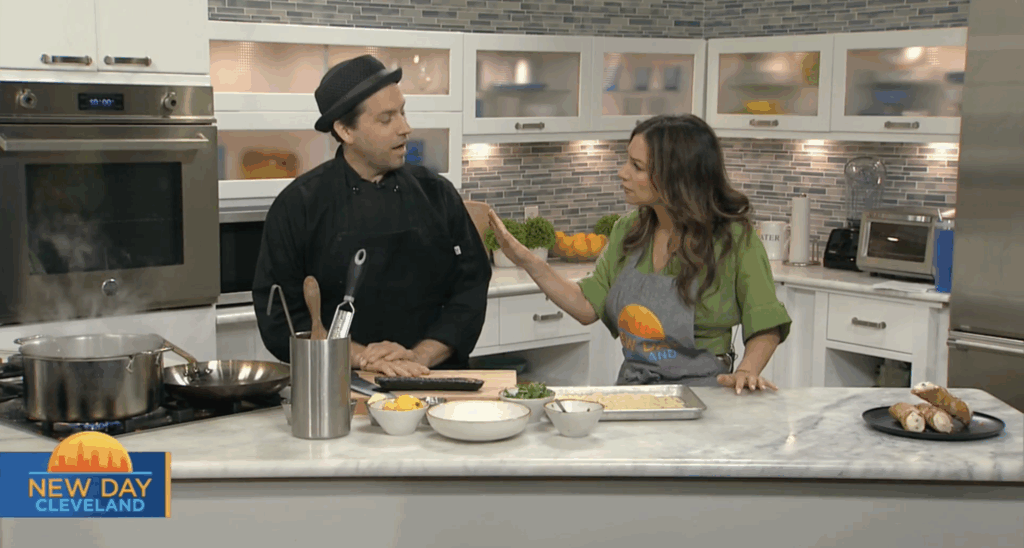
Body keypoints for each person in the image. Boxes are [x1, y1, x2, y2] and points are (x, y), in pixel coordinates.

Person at [488, 114, 791, 394]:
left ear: (676, 176)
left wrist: (747, 370)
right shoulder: (629, 231)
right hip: (634, 390)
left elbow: (765, 321)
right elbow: (586, 307)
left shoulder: (734, 239)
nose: (622, 173)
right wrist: (526, 260)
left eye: (637, 166)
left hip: (706, 393)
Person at [253, 54, 492, 376]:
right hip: (338, 386)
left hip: (434, 378)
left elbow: (470, 290)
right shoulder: (298, 205)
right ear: (345, 130)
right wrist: (364, 357)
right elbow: (282, 318)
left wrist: (418, 357)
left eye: (403, 112)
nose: (405, 128)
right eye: (386, 119)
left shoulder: (437, 194)